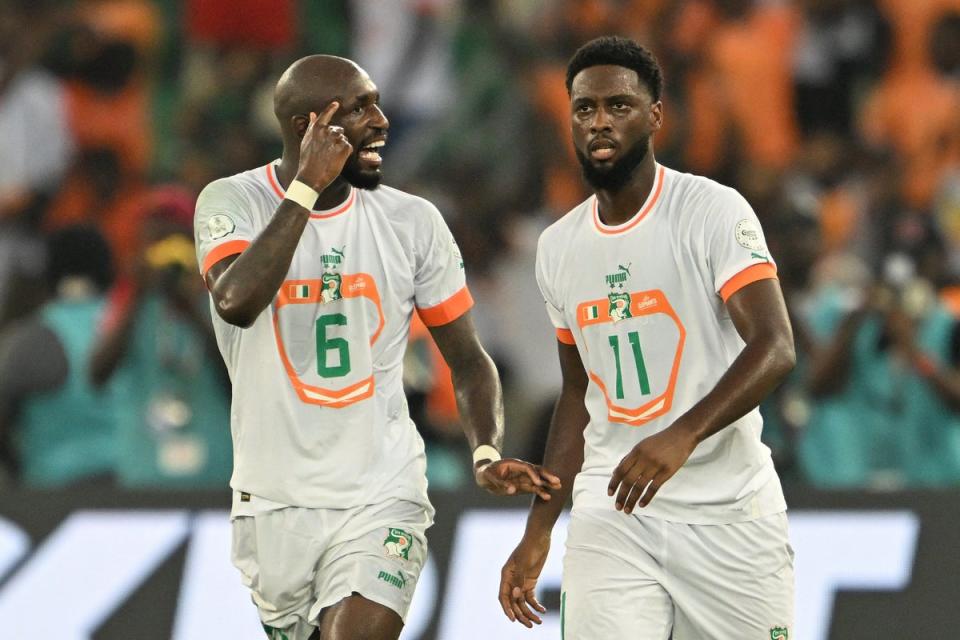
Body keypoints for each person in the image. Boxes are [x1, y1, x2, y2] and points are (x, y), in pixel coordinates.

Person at [194, 55, 559, 640]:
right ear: (306, 128)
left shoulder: (412, 222)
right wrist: (308, 188)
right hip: (274, 499)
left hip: (381, 492)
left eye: (378, 102)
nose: (383, 120)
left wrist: (486, 450)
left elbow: (468, 361)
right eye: (361, 108)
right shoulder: (231, 202)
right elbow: (236, 299)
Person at [498, 37, 796, 639]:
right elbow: (577, 393)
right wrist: (538, 529)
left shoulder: (711, 211)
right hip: (614, 515)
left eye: (618, 105)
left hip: (728, 513)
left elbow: (775, 346)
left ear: (655, 115)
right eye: (584, 109)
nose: (600, 121)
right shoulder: (557, 247)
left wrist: (681, 435)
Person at [90, 187, 232, 488]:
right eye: (155, 241)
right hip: (144, 471)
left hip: (215, 471)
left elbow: (240, 381)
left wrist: (192, 310)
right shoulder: (124, 303)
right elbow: (97, 374)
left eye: (174, 240)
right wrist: (138, 296)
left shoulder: (225, 299)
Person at [0, 225, 116, 487]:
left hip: (56, 493)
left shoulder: (31, 338)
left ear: (48, 273)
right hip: (141, 489)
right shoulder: (136, 326)